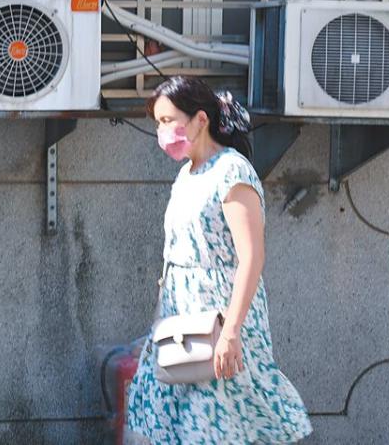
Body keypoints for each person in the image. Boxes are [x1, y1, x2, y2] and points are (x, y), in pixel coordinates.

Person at [125, 76, 313, 444]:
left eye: (168, 120)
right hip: (181, 323)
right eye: (158, 123)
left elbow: (252, 257)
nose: (161, 131)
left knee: (215, 421)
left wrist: (231, 332)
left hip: (219, 321)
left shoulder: (232, 171)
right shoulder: (187, 174)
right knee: (172, 419)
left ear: (200, 119)